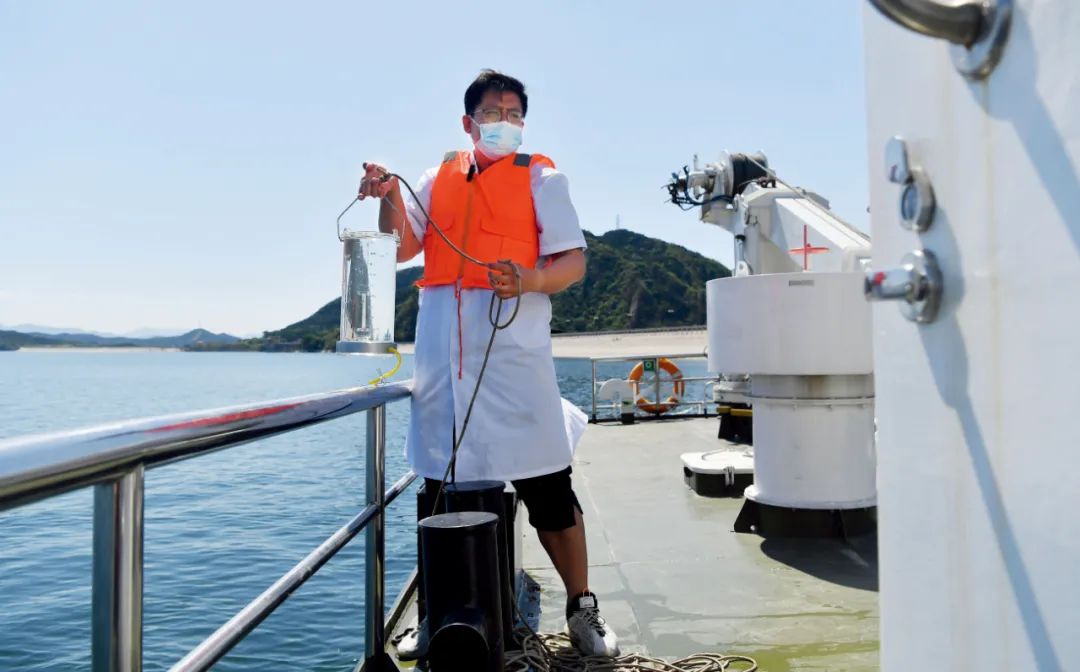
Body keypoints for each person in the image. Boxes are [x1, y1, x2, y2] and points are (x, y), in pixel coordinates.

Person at [358, 69, 619, 659]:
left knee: (548, 483)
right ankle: (440, 615)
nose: (507, 122)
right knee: (443, 486)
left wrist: (529, 279)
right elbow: (401, 247)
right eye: (495, 112)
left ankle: (582, 606)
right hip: (443, 353)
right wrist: (390, 197)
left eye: (515, 113)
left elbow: (572, 261)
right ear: (468, 121)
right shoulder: (433, 178)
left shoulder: (543, 179)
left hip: (513, 349)